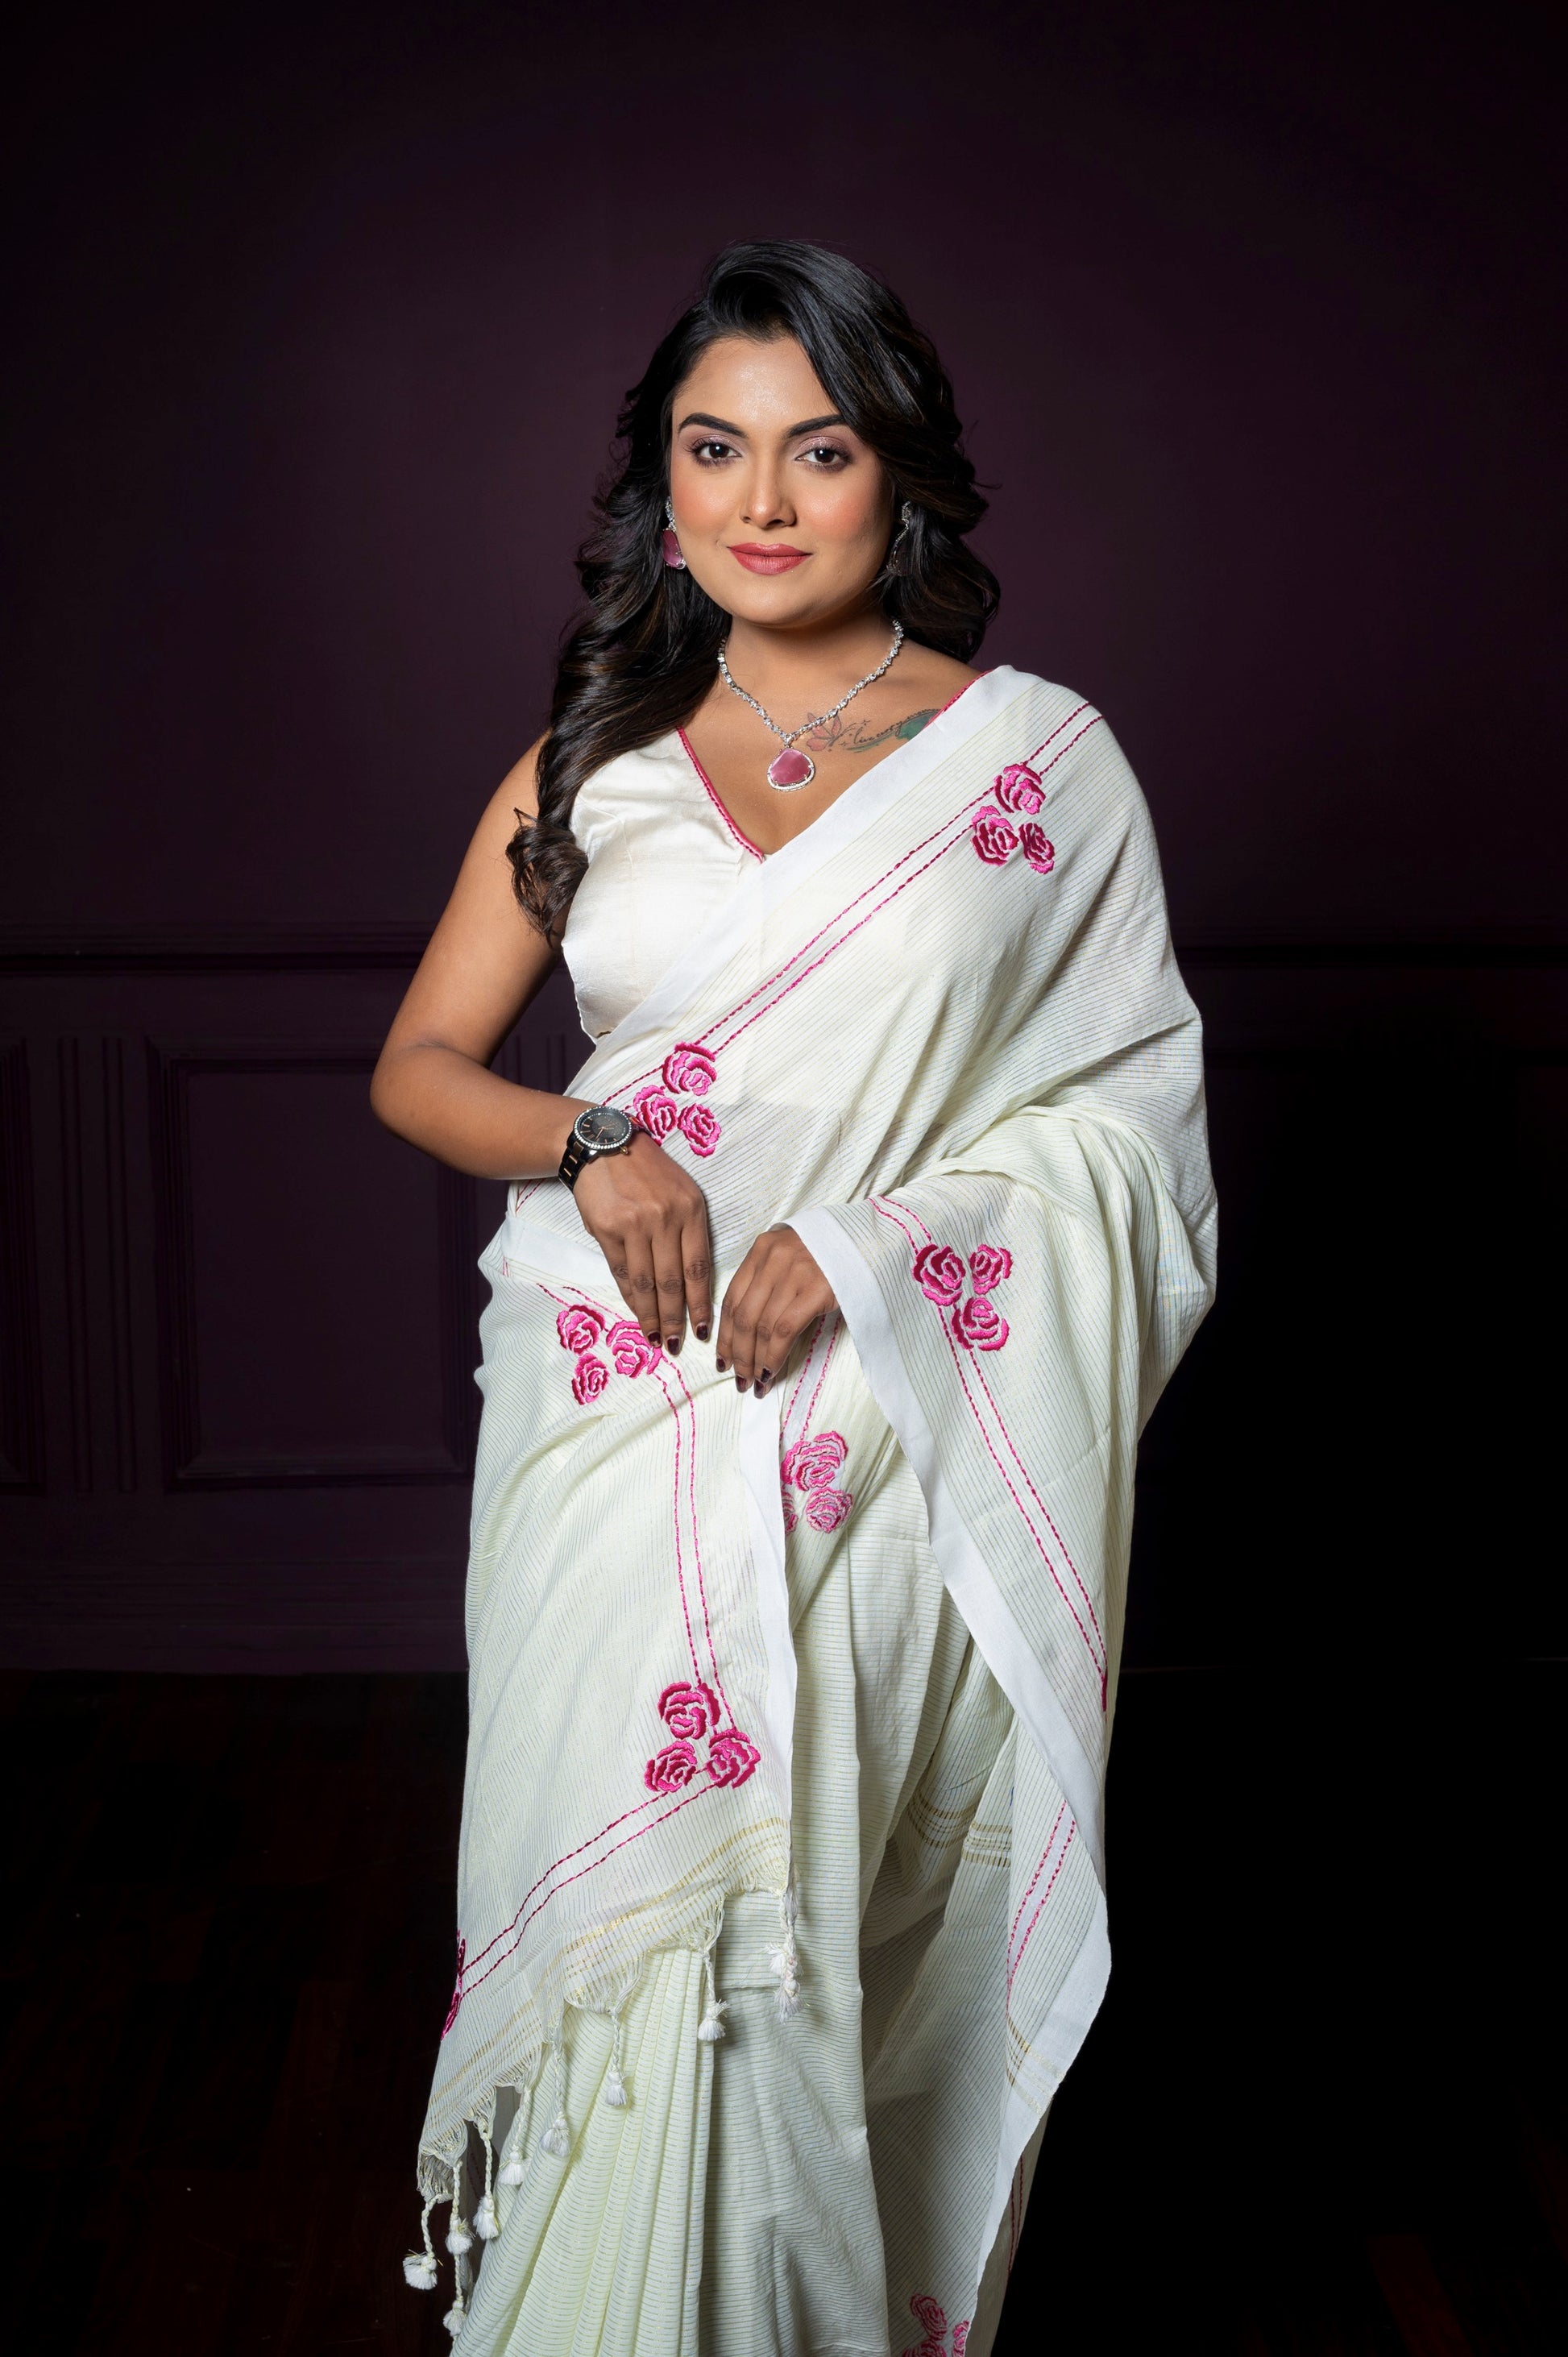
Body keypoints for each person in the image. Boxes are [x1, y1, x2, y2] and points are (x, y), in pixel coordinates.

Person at [371, 239, 1214, 2356]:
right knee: (643, 1911)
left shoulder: (1034, 767)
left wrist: (868, 1248)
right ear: (658, 485)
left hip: (888, 1420)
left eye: (817, 451)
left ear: (894, 477)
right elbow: (423, 1067)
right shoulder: (594, 759)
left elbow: (1128, 1126)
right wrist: (595, 1137)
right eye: (712, 448)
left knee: (809, 1906)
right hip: (608, 1410)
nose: (761, 501)